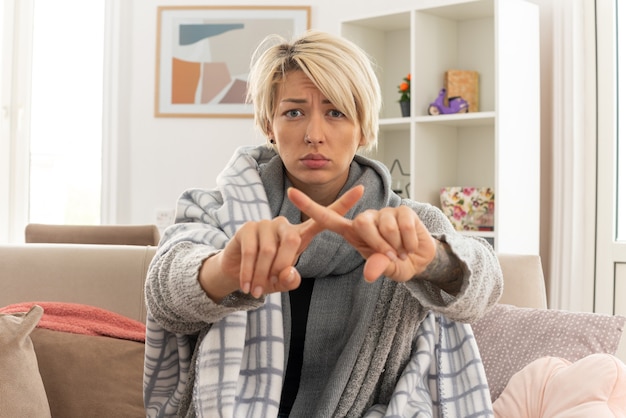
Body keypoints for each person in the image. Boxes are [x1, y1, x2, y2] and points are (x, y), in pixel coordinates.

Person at [143, 30, 503, 418]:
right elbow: (164, 294)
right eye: (294, 112)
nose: (314, 135)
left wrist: (433, 263)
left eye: (336, 112)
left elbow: (486, 285)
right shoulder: (218, 212)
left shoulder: (409, 226)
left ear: (363, 128)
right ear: (269, 125)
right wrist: (225, 269)